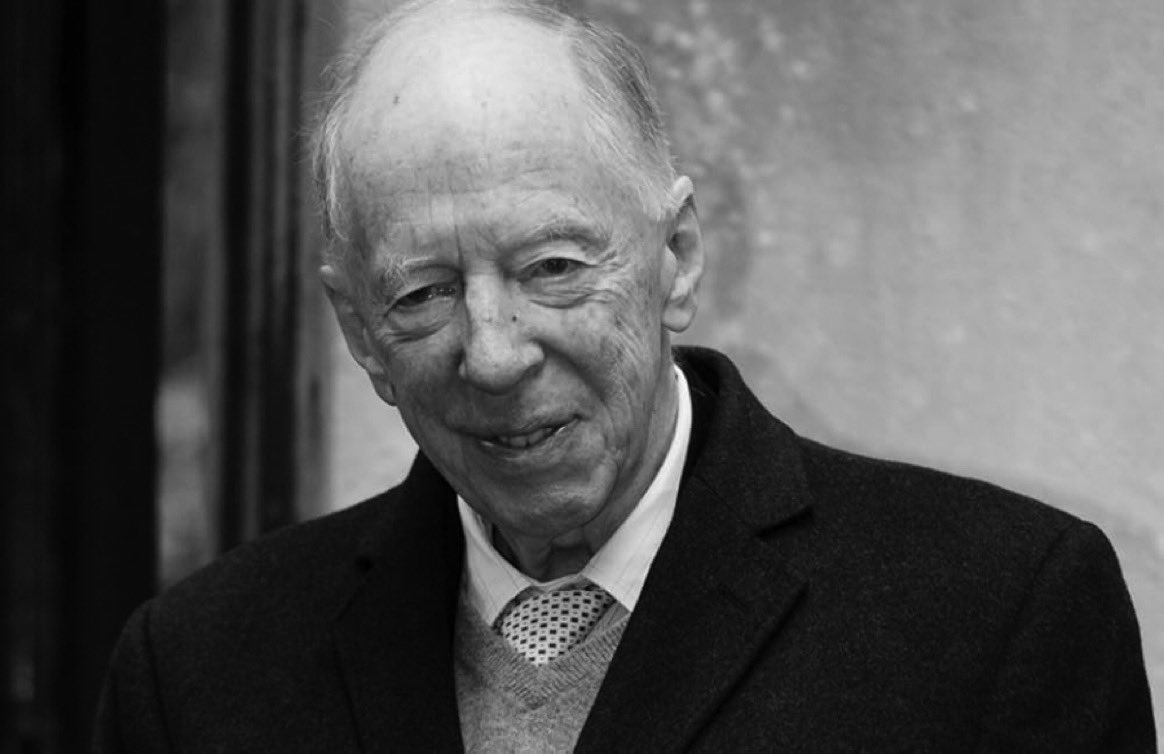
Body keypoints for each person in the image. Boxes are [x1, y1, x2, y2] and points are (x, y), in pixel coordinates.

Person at [95, 0, 1155, 750]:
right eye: (422, 292)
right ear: (359, 330)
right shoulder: (195, 673)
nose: (495, 354)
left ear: (675, 257)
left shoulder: (1000, 617)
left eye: (552, 268)